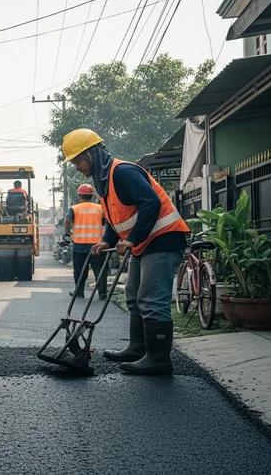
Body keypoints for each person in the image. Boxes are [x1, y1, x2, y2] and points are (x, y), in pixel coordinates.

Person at [62, 128, 189, 376]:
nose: (76, 166)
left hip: (163, 239)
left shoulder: (123, 172)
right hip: (145, 242)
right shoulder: (104, 181)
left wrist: (132, 239)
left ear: (90, 154)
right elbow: (115, 218)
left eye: (77, 160)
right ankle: (137, 348)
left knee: (152, 300)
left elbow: (150, 203)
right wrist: (105, 240)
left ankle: (158, 359)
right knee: (133, 295)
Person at [64, 184, 107, 300]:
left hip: (80, 245)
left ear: (79, 195)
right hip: (98, 245)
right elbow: (105, 221)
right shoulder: (100, 208)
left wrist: (67, 232)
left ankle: (79, 292)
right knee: (100, 269)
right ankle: (102, 293)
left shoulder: (75, 208)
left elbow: (67, 220)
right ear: (92, 196)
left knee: (80, 270)